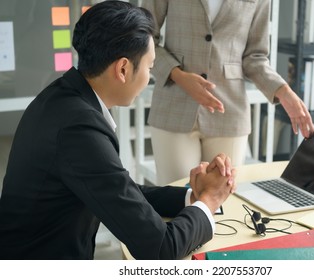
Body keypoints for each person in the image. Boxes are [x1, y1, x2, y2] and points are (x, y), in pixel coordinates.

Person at [0, 0, 236, 260]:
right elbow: (160, 249)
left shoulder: (64, 97)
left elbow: (116, 187)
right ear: (123, 69)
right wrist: (210, 199)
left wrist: (194, 196)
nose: (151, 76)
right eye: (149, 67)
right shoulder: (78, 127)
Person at [141, 0, 314, 185]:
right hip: (173, 106)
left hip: (229, 111)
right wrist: (178, 75)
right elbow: (143, 37)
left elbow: (255, 57)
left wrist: (284, 91)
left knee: (222, 202)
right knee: (175, 200)